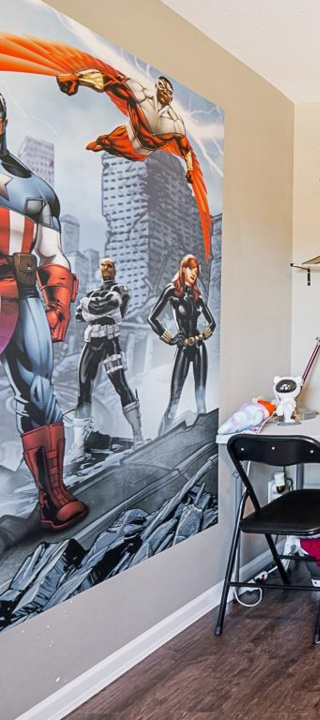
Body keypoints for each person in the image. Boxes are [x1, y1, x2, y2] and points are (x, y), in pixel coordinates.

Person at [0, 92, 81, 529]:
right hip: (16, 282)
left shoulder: (34, 188)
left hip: (19, 289)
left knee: (39, 394)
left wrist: (58, 302)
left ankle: (52, 496)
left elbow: (53, 252)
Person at [73, 258, 142, 451]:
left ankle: (138, 435)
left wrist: (88, 305)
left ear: (115, 269)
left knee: (121, 385)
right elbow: (80, 315)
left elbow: (107, 305)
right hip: (91, 343)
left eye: (109, 266)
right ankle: (78, 444)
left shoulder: (119, 290)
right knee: (84, 390)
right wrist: (98, 309)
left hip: (110, 343)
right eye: (102, 266)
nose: (106, 269)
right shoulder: (94, 293)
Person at [149, 254, 215, 434]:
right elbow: (152, 318)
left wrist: (200, 337)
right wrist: (169, 338)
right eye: (190, 270)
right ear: (183, 269)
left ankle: (203, 440)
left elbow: (212, 323)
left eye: (196, 271)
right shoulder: (172, 291)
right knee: (174, 399)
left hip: (199, 348)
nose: (194, 274)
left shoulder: (196, 296)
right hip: (183, 347)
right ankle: (159, 440)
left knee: (200, 399)